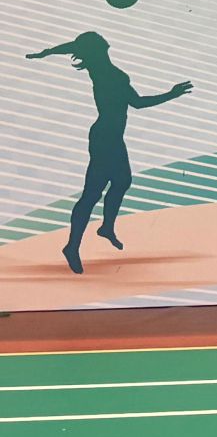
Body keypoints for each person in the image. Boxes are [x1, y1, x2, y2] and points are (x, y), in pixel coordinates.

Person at [27, 32, 193, 275]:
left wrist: (48, 52)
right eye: (102, 46)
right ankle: (72, 246)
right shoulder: (105, 72)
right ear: (97, 50)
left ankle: (105, 227)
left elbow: (72, 46)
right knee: (93, 193)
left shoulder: (104, 70)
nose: (107, 47)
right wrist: (171, 93)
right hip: (105, 138)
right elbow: (138, 103)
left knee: (122, 181)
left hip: (111, 137)